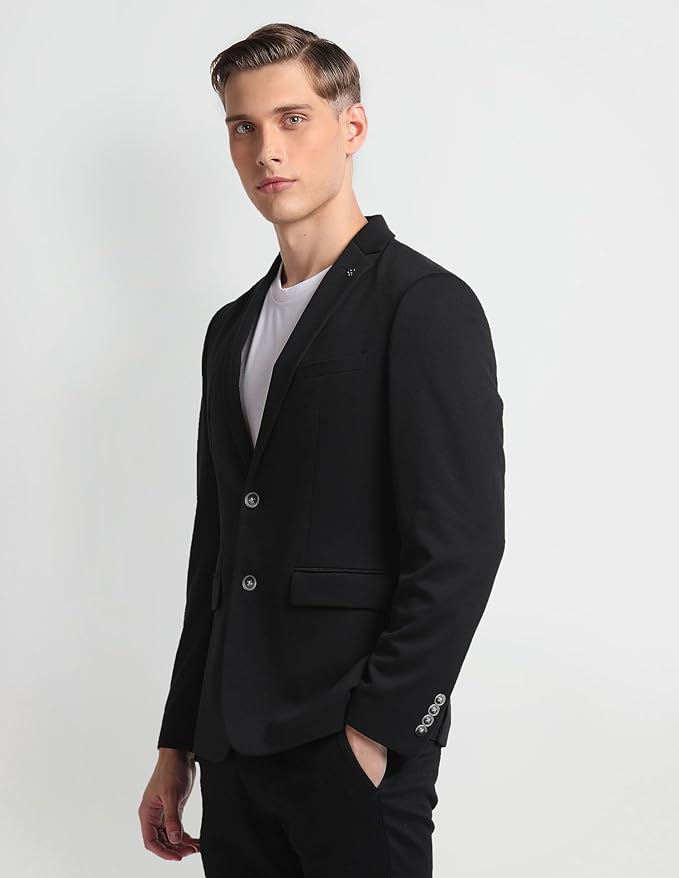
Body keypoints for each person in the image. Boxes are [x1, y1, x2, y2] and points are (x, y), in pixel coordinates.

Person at [138, 21, 505, 878]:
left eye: (293, 118)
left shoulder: (422, 304)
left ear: (352, 126)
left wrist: (377, 733)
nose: (266, 148)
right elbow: (218, 549)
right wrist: (178, 740)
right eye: (243, 127)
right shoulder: (230, 329)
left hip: (348, 742)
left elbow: (460, 547)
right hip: (232, 750)